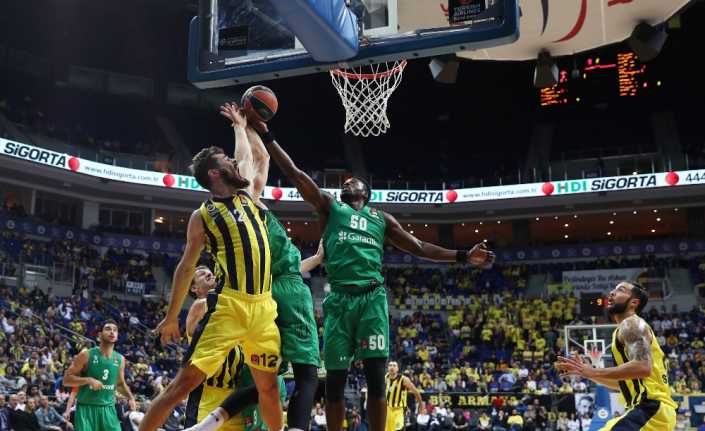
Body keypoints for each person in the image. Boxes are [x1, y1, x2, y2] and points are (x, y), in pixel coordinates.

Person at [254, 117, 495, 431]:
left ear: (366, 193)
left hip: (372, 299)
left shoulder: (382, 219)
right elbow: (297, 176)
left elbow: (420, 247)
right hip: (339, 300)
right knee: (336, 384)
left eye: (355, 181)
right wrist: (267, 135)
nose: (349, 182)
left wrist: (463, 255)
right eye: (345, 182)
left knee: (376, 381)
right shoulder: (330, 208)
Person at [182, 102, 325, 431]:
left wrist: (248, 126)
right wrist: (243, 125)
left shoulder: (241, 222)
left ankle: (213, 421)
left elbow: (257, 160)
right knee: (305, 375)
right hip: (279, 296)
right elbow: (249, 161)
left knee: (266, 381)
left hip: (263, 295)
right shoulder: (244, 202)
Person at [141, 105, 282, 431]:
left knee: (269, 389)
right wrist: (171, 316)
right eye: (225, 162)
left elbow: (250, 158)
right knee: (182, 386)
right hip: (230, 307)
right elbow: (185, 268)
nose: (233, 162)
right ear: (214, 175)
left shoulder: (248, 195)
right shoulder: (202, 217)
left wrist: (240, 125)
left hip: (263, 309)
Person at [556, 281, 678, 431]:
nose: (612, 293)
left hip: (651, 408)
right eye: (613, 289)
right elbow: (623, 384)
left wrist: (594, 371)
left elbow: (642, 367)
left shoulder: (631, 324)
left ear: (633, 302)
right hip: (653, 412)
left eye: (620, 290)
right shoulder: (623, 329)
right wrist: (587, 373)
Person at [63, 320, 136, 431]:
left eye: (115, 330)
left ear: (117, 336)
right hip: (86, 409)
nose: (112, 332)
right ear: (99, 335)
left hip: (108, 409)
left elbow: (120, 384)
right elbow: (66, 379)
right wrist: (88, 380)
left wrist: (130, 397)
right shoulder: (86, 355)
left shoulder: (120, 359)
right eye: (108, 329)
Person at [385, 362, 422, 431]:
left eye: (394, 366)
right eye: (390, 365)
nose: (392, 367)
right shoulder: (385, 378)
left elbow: (416, 392)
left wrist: (421, 405)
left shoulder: (404, 380)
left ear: (397, 369)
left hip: (399, 410)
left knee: (399, 429)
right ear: (387, 368)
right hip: (388, 410)